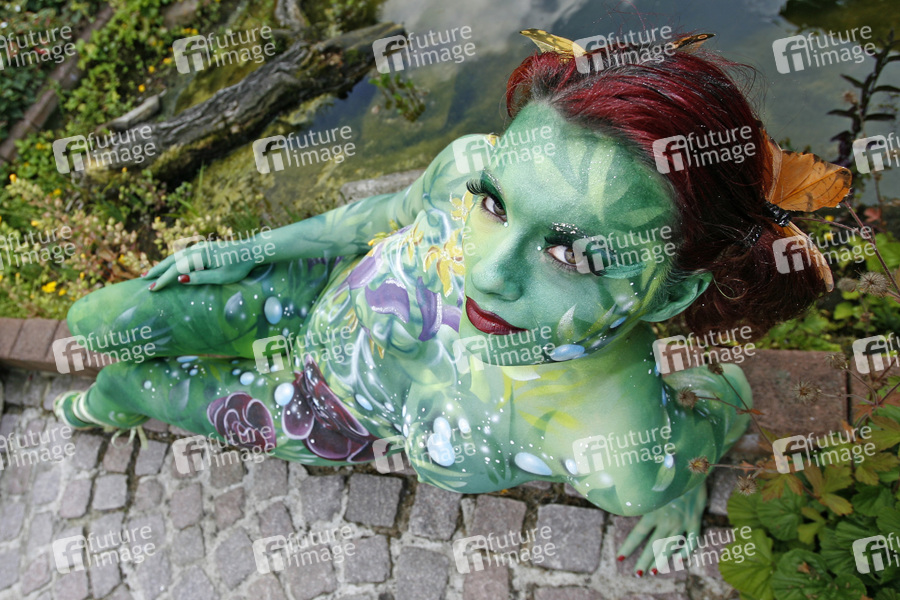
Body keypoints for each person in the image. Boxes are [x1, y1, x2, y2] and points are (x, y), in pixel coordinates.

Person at [56, 31, 836, 574]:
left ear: (675, 290)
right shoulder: (470, 165)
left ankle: (111, 403)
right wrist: (246, 250)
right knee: (97, 321)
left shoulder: (615, 443)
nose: (485, 273)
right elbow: (376, 217)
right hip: (310, 295)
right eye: (496, 205)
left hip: (322, 415)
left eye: (572, 254)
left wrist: (681, 477)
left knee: (133, 383)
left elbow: (728, 396)